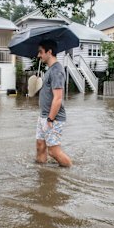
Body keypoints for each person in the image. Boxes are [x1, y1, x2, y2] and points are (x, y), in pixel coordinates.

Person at [35, 39, 72, 167]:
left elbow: (58, 98)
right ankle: (42, 172)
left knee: (53, 152)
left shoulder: (57, 70)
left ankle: (70, 170)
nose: (38, 55)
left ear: (49, 52)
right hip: (43, 116)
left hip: (53, 118)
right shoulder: (50, 70)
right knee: (40, 146)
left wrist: (50, 119)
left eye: (40, 52)